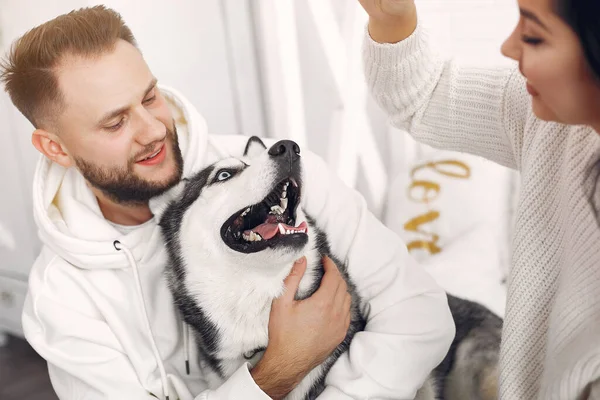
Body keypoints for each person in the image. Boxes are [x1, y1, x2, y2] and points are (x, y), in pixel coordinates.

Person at [0, 5, 455, 400]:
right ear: (55, 148)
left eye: (150, 97)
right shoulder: (62, 300)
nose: (153, 129)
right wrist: (281, 368)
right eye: (116, 122)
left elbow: (421, 317)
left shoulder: (276, 174)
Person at [358, 0, 600, 399]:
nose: (508, 46)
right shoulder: (548, 122)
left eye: (534, 35)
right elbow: (423, 94)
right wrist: (392, 15)